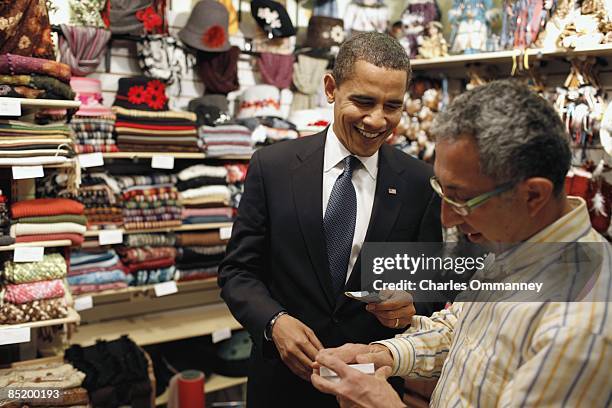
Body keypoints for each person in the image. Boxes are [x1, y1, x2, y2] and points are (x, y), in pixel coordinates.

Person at [311, 79, 612, 407]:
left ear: (533, 195)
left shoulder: (583, 323)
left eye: (461, 200)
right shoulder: (514, 243)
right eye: (442, 191)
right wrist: (383, 353)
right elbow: (463, 331)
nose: (447, 218)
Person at [218, 32, 442, 407]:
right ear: (330, 88)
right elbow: (238, 272)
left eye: (393, 106)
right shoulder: (273, 167)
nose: (377, 120)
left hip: (371, 390)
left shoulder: (420, 182)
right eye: (364, 101)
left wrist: (413, 304)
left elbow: (430, 283)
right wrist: (274, 323)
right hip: (281, 384)